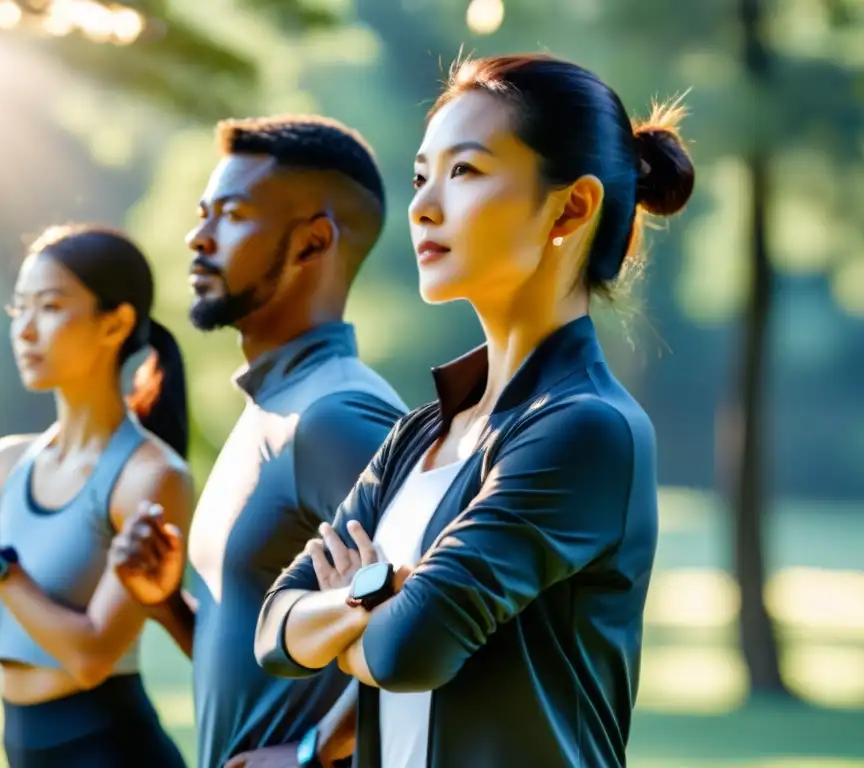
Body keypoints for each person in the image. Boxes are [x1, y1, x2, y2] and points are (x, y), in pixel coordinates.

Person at [254, 54, 696, 768]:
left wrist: (345, 614)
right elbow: (273, 630)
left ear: (571, 207)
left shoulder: (588, 430)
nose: (425, 206)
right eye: (421, 176)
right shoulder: (419, 432)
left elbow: (409, 650)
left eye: (464, 171)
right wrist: (379, 599)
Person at [109, 115, 408, 768]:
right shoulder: (270, 411)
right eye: (202, 213)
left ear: (313, 243)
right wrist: (168, 608)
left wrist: (312, 752)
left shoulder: (336, 416)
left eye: (232, 215)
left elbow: (448, 627)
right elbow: (283, 648)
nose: (198, 237)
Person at [0, 225, 191, 768]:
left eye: (50, 307)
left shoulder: (151, 475)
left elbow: (92, 656)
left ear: (116, 323)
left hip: (111, 749)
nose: (25, 331)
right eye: (19, 309)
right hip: (23, 747)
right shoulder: (6, 462)